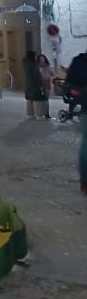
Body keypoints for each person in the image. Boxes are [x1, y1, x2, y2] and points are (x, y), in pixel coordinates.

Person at [65, 48, 87, 195]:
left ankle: (85, 182)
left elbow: (70, 84)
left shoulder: (78, 61)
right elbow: (70, 85)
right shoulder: (80, 62)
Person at [22, 50, 45, 118]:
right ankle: (38, 114)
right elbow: (37, 75)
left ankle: (30, 114)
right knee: (37, 99)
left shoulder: (25, 63)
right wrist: (41, 84)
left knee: (29, 99)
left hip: (27, 83)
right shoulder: (34, 64)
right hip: (35, 84)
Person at [37, 53, 53, 118]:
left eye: (43, 58)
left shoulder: (47, 66)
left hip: (47, 83)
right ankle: (41, 112)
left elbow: (51, 74)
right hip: (40, 83)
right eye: (40, 59)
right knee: (41, 99)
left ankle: (46, 113)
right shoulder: (37, 66)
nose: (42, 60)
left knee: (46, 99)